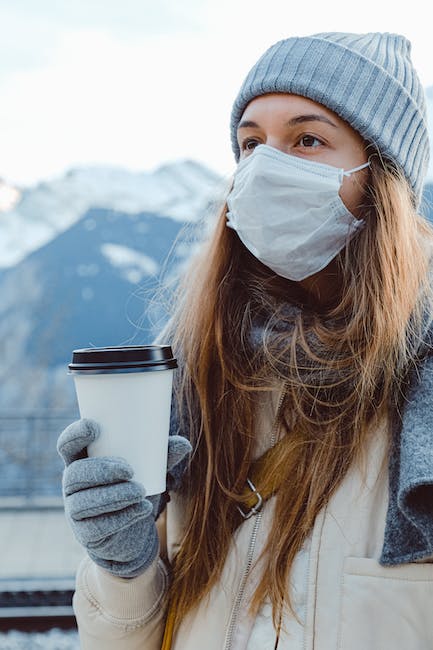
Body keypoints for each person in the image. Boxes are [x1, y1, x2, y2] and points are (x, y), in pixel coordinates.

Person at [57, 31, 433, 649]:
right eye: (251, 144)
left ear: (381, 177)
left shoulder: (418, 382)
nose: (265, 167)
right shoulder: (197, 373)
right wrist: (124, 571)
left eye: (307, 140)